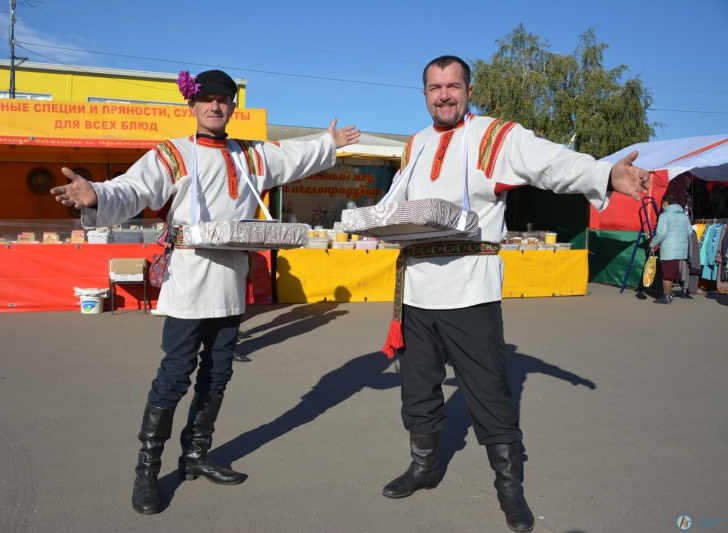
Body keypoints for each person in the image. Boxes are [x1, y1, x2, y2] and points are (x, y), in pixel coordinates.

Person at [50, 69, 360, 515]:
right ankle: (147, 471)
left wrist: (327, 141)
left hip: (231, 283)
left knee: (218, 375)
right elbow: (133, 188)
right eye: (208, 99)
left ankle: (195, 456)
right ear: (192, 106)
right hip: (190, 281)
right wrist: (96, 194)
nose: (216, 106)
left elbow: (293, 156)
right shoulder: (173, 154)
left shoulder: (250, 155)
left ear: (233, 108)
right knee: (175, 376)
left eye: (224, 100)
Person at [378, 56, 650, 533]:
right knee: (417, 387)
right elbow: (397, 202)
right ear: (423, 93)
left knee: (489, 394)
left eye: (453, 86)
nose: (444, 95)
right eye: (435, 87)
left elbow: (551, 161)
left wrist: (604, 175)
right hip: (416, 290)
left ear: (468, 90)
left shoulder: (495, 136)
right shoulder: (415, 145)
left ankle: (509, 488)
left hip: (469, 287)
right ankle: (423, 468)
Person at [649, 194, 694, 304]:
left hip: (669, 249)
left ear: (666, 202)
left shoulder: (665, 215)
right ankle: (668, 295)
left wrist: (652, 244)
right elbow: (689, 232)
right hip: (681, 250)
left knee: (667, 275)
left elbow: (661, 234)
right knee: (672, 274)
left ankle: (667, 296)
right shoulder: (683, 215)